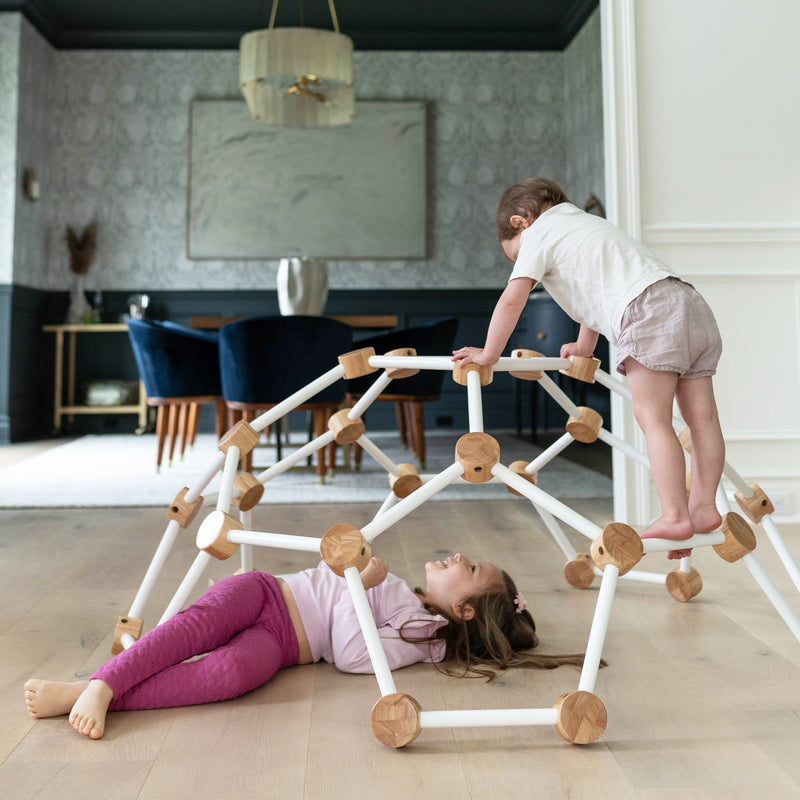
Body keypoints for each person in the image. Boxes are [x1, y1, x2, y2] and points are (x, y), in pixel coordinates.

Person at [24, 553, 590, 740]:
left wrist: (359, 587)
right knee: (189, 633)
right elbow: (333, 578)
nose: (453, 557)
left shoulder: (420, 645)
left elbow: (349, 654)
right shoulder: (394, 586)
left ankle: (92, 693)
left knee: (225, 677)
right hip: (266, 594)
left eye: (465, 568)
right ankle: (100, 682)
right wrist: (361, 581)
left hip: (283, 645)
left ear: (464, 609)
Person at [452, 177, 725, 560]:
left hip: (647, 312)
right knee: (704, 420)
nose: (520, 262)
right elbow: (595, 292)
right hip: (688, 302)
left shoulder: (537, 234)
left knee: (654, 419)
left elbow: (513, 299)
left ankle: (676, 515)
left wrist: (489, 352)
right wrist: (584, 346)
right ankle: (704, 509)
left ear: (519, 223)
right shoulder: (584, 224)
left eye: (513, 257)